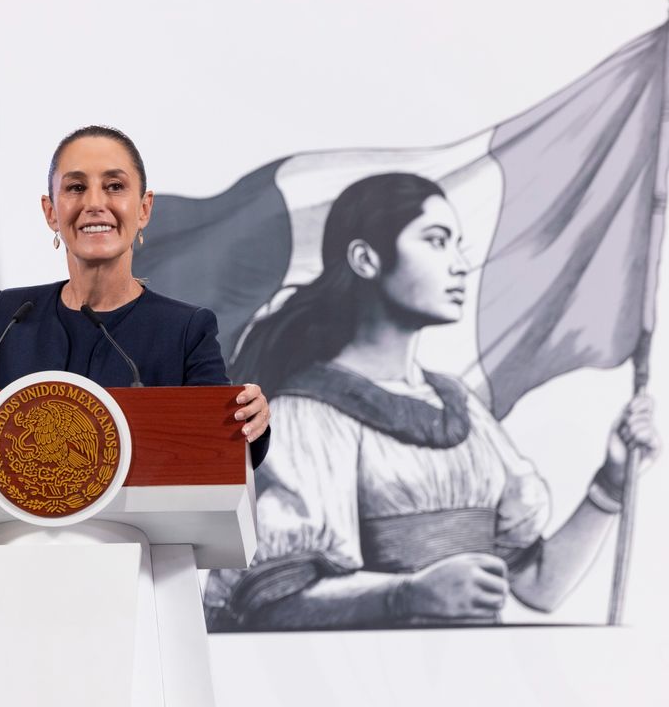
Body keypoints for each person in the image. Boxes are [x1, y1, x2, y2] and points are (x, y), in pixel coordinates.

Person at [203, 172, 659, 629]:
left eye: (458, 245)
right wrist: (408, 594)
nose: (459, 265)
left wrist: (612, 482)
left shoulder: (462, 409)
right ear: (365, 259)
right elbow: (273, 603)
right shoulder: (306, 415)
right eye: (437, 241)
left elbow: (539, 586)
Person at [0, 125, 270, 481]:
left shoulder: (185, 330)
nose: (94, 203)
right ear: (51, 211)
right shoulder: (6, 319)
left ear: (144, 209)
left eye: (114, 186)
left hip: (144, 549)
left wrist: (253, 421)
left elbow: (222, 448)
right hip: (16, 544)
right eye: (75, 187)